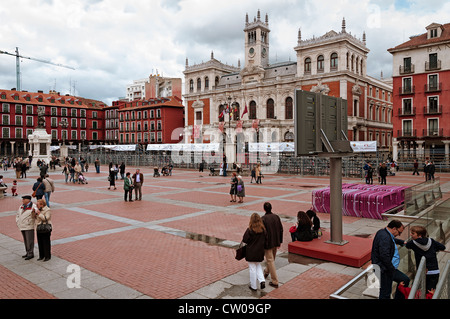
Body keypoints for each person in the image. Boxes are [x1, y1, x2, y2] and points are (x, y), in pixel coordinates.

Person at [371, 220, 409, 299]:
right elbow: (384, 257)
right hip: (385, 270)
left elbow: (391, 240)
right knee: (385, 293)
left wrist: (401, 242)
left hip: (388, 268)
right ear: (394, 228)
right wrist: (391, 269)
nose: (399, 235)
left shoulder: (383, 232)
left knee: (405, 279)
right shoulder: (385, 238)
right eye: (399, 232)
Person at [405, 225, 445, 292]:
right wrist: (434, 249)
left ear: (419, 235)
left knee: (419, 292)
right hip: (434, 271)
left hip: (422, 272)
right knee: (431, 292)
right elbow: (442, 247)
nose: (411, 235)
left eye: (413, 233)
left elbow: (407, 245)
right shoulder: (431, 241)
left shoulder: (412, 243)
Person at [242, 213, 267, 291]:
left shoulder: (250, 230)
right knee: (258, 265)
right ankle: (262, 280)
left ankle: (254, 286)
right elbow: (266, 240)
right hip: (260, 251)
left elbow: (245, 240)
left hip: (251, 251)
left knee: (252, 268)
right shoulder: (263, 230)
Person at [261, 202, 283, 288]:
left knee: (270, 260)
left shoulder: (263, 219)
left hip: (268, 243)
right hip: (276, 241)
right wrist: (280, 241)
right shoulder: (276, 217)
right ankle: (266, 271)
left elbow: (263, 232)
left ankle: (275, 280)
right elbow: (281, 229)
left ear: (264, 209)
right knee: (272, 258)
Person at [16, 195, 37, 260]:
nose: (22, 200)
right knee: (25, 240)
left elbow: (35, 214)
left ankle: (30, 253)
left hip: (29, 226)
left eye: (24, 199)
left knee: (29, 240)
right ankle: (27, 252)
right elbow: (17, 215)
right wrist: (17, 222)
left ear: (28, 200)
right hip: (22, 225)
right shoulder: (21, 206)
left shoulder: (33, 206)